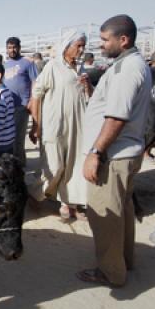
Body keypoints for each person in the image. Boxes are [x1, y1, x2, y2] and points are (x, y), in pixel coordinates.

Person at [79, 15, 151, 288]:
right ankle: (124, 261)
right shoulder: (126, 65)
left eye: (105, 39)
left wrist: (96, 152)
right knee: (121, 210)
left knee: (105, 214)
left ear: (124, 40)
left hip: (114, 155)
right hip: (124, 152)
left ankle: (111, 272)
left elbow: (117, 117)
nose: (101, 45)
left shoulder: (127, 70)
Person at [28, 31, 91, 221]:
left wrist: (88, 86)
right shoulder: (53, 66)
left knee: (73, 165)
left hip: (78, 126)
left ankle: (68, 203)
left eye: (83, 46)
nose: (81, 50)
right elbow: (36, 95)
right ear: (67, 46)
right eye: (77, 46)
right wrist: (36, 125)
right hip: (53, 125)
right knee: (54, 166)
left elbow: (91, 98)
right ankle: (34, 193)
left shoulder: (82, 69)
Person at [2, 36, 38, 165]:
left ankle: (20, 168)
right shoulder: (4, 65)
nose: (12, 50)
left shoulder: (27, 63)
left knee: (18, 140)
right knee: (8, 139)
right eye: (9, 48)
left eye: (14, 47)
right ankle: (11, 167)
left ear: (19, 48)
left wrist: (32, 100)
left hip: (21, 107)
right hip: (7, 107)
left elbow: (35, 82)